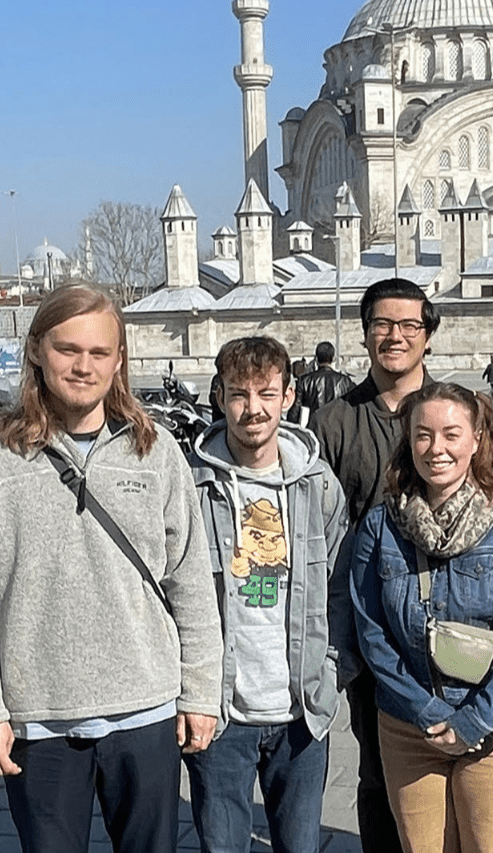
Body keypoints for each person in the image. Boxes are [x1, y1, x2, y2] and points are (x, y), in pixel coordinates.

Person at [0, 284, 223, 853]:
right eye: (69, 349)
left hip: (147, 708)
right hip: (38, 719)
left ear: (119, 361)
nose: (83, 366)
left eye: (99, 353)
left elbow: (191, 579)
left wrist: (201, 693)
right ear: (38, 350)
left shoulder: (155, 449)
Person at [350, 382, 493, 853]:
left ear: (476, 439)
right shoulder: (381, 525)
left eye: (450, 434)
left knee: (490, 845)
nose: (436, 449)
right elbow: (371, 630)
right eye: (423, 435)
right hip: (408, 722)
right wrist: (425, 710)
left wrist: (476, 717)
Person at [184, 336, 351, 853]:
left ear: (288, 395)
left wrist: (331, 671)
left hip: (300, 711)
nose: (252, 409)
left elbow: (341, 589)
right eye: (238, 394)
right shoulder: (193, 485)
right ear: (218, 396)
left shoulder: (318, 484)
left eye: (265, 393)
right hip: (220, 713)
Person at [310, 277, 439, 853]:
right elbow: (319, 528)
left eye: (409, 325)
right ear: (364, 335)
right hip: (370, 627)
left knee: (451, 763)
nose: (396, 336)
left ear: (428, 336)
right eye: (382, 324)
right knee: (378, 769)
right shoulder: (334, 422)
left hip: (448, 618)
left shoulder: (452, 411)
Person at [291, 341, 355, 425]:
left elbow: (295, 411)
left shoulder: (304, 381)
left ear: (316, 359)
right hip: (337, 429)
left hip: (313, 429)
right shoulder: (345, 381)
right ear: (333, 358)